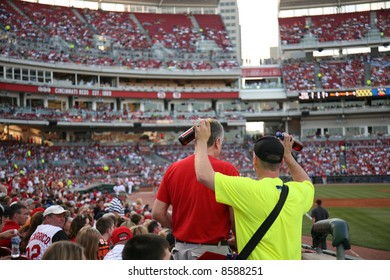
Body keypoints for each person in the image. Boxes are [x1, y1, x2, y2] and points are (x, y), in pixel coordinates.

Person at [194, 119, 315, 260]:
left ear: (254, 160)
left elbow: (203, 175)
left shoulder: (246, 189)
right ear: (282, 162)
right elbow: (307, 183)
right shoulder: (296, 193)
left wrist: (201, 141)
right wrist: (288, 155)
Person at [152, 119, 239, 260]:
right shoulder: (228, 169)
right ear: (217, 142)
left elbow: (157, 213)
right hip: (212, 253)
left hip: (179, 251)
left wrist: (184, 228)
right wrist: (239, 240)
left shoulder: (173, 168)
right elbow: (234, 216)